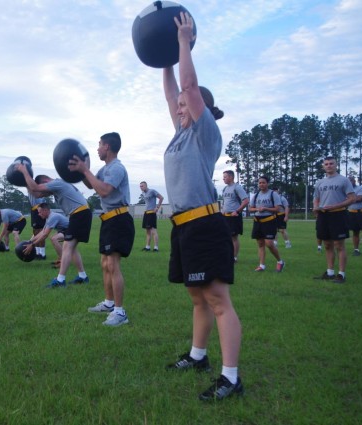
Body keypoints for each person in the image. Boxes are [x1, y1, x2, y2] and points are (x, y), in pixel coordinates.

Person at [161, 12, 243, 401]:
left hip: (206, 225)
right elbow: (173, 89)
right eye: (177, 104)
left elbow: (189, 86)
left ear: (199, 108)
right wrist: (163, 57)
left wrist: (183, 41)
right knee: (197, 297)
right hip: (182, 227)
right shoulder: (178, 137)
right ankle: (198, 357)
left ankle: (231, 377)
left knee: (218, 300)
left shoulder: (205, 134)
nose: (178, 106)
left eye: (184, 104)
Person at [69, 132, 135, 327]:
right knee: (105, 263)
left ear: (107, 147)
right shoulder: (104, 168)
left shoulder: (117, 168)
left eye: (99, 145)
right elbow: (91, 185)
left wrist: (85, 170)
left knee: (113, 264)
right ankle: (108, 303)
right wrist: (82, 171)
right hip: (108, 220)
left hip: (119, 219)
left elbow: (104, 190)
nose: (97, 148)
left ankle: (120, 312)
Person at [16, 165, 91, 287]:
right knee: (72, 248)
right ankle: (82, 276)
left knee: (67, 246)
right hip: (79, 214)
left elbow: (36, 188)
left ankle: (60, 280)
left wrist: (24, 171)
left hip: (80, 214)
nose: (44, 194)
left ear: (45, 182)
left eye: (44, 189)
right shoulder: (57, 186)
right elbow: (37, 194)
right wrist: (25, 182)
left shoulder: (56, 183)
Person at [313, 157, 355, 283]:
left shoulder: (343, 180)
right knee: (327, 244)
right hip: (323, 215)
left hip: (338, 214)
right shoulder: (320, 182)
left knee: (339, 245)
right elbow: (316, 198)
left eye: (331, 163)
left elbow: (352, 198)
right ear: (323, 167)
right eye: (326, 164)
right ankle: (330, 272)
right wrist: (316, 208)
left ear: (336, 165)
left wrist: (336, 205)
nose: (329, 166)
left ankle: (341, 274)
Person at [249, 177, 285, 272]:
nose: (261, 184)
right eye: (260, 183)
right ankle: (261, 265)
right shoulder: (256, 195)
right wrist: (257, 209)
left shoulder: (273, 194)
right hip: (257, 221)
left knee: (269, 243)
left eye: (263, 182)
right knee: (260, 244)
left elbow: (278, 209)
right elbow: (250, 208)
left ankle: (280, 261)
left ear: (267, 183)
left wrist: (266, 208)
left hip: (269, 221)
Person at [221, 170, 249, 262]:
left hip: (234, 217)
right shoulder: (225, 189)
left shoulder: (237, 187)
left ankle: (234, 257)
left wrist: (237, 211)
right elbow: (225, 202)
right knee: (226, 237)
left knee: (234, 237)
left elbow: (245, 201)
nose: (223, 179)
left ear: (231, 177)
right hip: (225, 216)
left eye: (225, 177)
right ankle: (228, 255)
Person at [347, 176, 362, 257]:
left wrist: (348, 200)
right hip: (351, 212)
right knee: (355, 232)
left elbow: (361, 198)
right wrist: (352, 199)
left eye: (352, 181)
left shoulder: (361, 188)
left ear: (354, 181)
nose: (350, 182)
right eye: (349, 181)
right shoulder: (345, 190)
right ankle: (356, 250)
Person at [140, 181, 164, 252]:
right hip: (146, 213)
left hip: (151, 213)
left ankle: (156, 248)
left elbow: (161, 198)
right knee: (147, 231)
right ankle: (147, 247)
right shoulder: (143, 193)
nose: (141, 187)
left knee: (153, 230)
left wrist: (157, 207)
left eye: (142, 186)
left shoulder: (152, 191)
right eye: (140, 186)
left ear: (146, 186)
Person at [28, 192, 48, 260]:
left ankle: (42, 254)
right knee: (36, 234)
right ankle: (38, 253)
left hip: (37, 210)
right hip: (36, 210)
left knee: (40, 234)